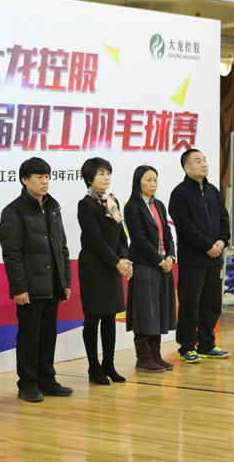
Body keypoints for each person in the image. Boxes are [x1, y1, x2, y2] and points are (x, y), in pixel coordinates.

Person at [0, 157, 73, 402]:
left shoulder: (53, 207)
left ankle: (47, 380)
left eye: (47, 177)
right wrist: (19, 288)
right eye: (39, 177)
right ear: (25, 180)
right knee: (29, 337)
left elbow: (62, 246)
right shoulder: (13, 211)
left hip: (52, 283)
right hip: (30, 287)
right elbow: (12, 254)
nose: (45, 181)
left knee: (48, 335)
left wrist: (65, 281)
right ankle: (27, 384)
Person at [168, 149, 231, 364]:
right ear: (187, 167)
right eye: (198, 161)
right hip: (193, 260)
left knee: (211, 304)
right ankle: (187, 346)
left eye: (204, 160)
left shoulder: (213, 191)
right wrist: (207, 246)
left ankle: (207, 344)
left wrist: (222, 241)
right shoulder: (179, 193)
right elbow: (185, 227)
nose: (204, 164)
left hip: (215, 259)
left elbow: (224, 218)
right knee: (190, 305)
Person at [77, 157, 133, 385]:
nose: (106, 177)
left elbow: (121, 234)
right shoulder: (86, 204)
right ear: (89, 178)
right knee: (93, 319)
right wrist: (116, 262)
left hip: (112, 265)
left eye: (108, 173)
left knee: (110, 317)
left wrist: (124, 257)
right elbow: (95, 240)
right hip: (94, 268)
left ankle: (108, 364)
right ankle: (94, 367)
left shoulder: (112, 201)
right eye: (101, 174)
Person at [125, 165, 176, 373]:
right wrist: (159, 260)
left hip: (163, 265)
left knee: (159, 311)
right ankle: (143, 358)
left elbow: (168, 235)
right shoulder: (132, 207)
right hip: (144, 265)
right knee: (144, 312)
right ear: (138, 182)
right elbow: (139, 240)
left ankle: (156, 355)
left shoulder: (159, 205)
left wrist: (170, 257)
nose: (153, 184)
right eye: (148, 180)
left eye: (155, 179)